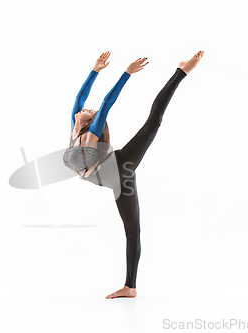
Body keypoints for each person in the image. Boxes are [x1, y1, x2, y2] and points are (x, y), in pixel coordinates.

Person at [63, 50, 204, 299]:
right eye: (84, 109)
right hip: (116, 181)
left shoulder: (91, 134)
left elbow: (106, 103)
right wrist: (95, 70)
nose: (84, 108)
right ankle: (130, 288)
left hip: (122, 166)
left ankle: (181, 72)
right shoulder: (75, 127)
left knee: (153, 122)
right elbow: (79, 96)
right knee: (132, 230)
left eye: (89, 111)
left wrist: (126, 74)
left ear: (90, 121)